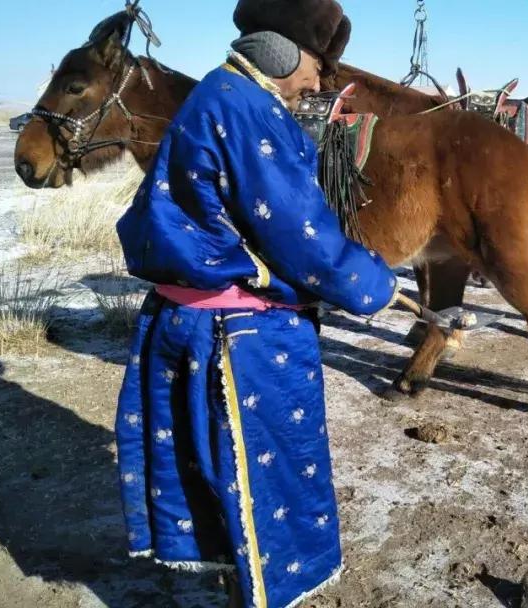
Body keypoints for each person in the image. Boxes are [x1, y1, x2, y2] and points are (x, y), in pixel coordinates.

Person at [113, 1, 398, 606]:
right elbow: (304, 239)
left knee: (214, 480)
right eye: (319, 65)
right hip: (237, 340)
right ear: (285, 51)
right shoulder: (251, 111)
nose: (320, 82)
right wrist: (377, 284)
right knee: (271, 489)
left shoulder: (214, 94)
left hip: (181, 321)